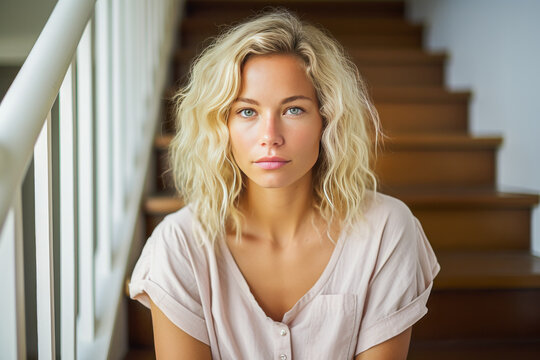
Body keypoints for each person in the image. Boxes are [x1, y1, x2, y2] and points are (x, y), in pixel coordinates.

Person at [129, 9, 440, 360]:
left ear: (327, 121)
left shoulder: (386, 229)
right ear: (221, 126)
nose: (270, 137)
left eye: (293, 110)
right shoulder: (179, 244)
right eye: (247, 111)